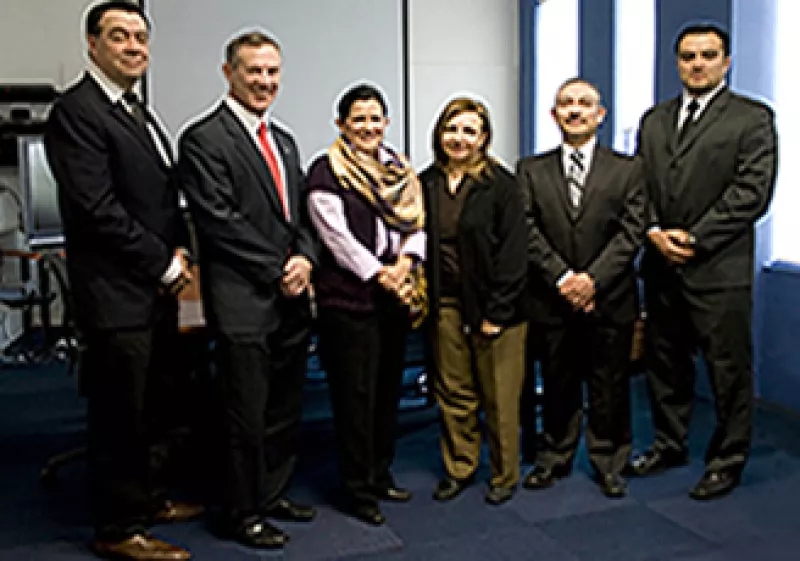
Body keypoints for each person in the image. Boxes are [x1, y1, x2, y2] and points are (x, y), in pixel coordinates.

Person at [43, 2, 202, 560]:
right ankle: (117, 529)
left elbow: (160, 194)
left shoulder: (136, 109)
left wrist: (179, 247)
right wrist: (163, 262)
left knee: (155, 406)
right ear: (93, 45)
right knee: (120, 414)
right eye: (119, 37)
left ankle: (150, 499)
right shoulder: (76, 112)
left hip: (152, 291)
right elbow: (97, 210)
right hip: (116, 295)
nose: (134, 47)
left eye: (140, 37)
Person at [177, 31, 318, 548]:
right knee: (245, 413)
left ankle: (272, 492)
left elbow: (299, 212)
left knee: (283, 408)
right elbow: (218, 221)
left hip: (290, 297)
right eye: (254, 71)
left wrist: (304, 257)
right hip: (243, 299)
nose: (265, 81)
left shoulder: (284, 140)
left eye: (272, 72)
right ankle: (242, 512)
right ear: (229, 72)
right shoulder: (204, 139)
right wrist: (279, 266)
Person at [629, 23, 777, 500]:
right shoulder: (654, 119)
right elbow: (639, 188)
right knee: (665, 364)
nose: (697, 64)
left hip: (718, 268)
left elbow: (751, 193)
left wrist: (693, 238)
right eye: (688, 56)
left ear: (726, 62)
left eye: (708, 55)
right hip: (660, 265)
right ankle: (669, 444)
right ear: (677, 62)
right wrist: (653, 231)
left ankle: (726, 460)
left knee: (727, 370)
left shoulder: (752, 119)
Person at [517, 78, 646, 498]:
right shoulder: (530, 170)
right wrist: (563, 279)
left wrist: (592, 280)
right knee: (557, 381)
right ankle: (553, 456)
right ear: (554, 115)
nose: (575, 110)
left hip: (610, 298)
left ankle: (610, 460)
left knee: (609, 383)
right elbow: (527, 229)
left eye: (584, 104)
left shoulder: (629, 169)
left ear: (600, 114)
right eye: (566, 104)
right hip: (550, 299)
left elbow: (631, 232)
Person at [307, 84, 425, 526]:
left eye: (376, 118)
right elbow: (335, 238)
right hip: (350, 302)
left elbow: (418, 221)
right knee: (355, 398)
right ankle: (357, 491)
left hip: (395, 300)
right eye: (358, 119)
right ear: (341, 124)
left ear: (387, 122)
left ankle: (379, 475)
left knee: (386, 392)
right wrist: (383, 273)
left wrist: (407, 261)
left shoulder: (398, 168)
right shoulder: (327, 170)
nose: (369, 127)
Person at [419, 97, 528, 505]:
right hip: (446, 304)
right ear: (439, 134)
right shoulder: (425, 182)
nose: (459, 138)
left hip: (498, 308)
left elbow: (515, 254)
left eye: (469, 131)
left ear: (484, 138)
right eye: (452, 129)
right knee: (455, 393)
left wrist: (496, 313)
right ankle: (460, 467)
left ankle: (504, 474)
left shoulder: (501, 185)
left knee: (499, 397)